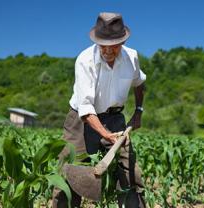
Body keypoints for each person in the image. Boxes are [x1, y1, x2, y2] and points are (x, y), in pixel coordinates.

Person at [52, 12, 146, 208]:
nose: (108, 50)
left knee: (129, 172)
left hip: (115, 119)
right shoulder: (85, 61)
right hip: (81, 122)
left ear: (122, 41)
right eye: (103, 44)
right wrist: (105, 135)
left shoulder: (132, 57)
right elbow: (85, 109)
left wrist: (138, 110)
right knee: (68, 173)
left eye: (113, 46)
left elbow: (139, 83)